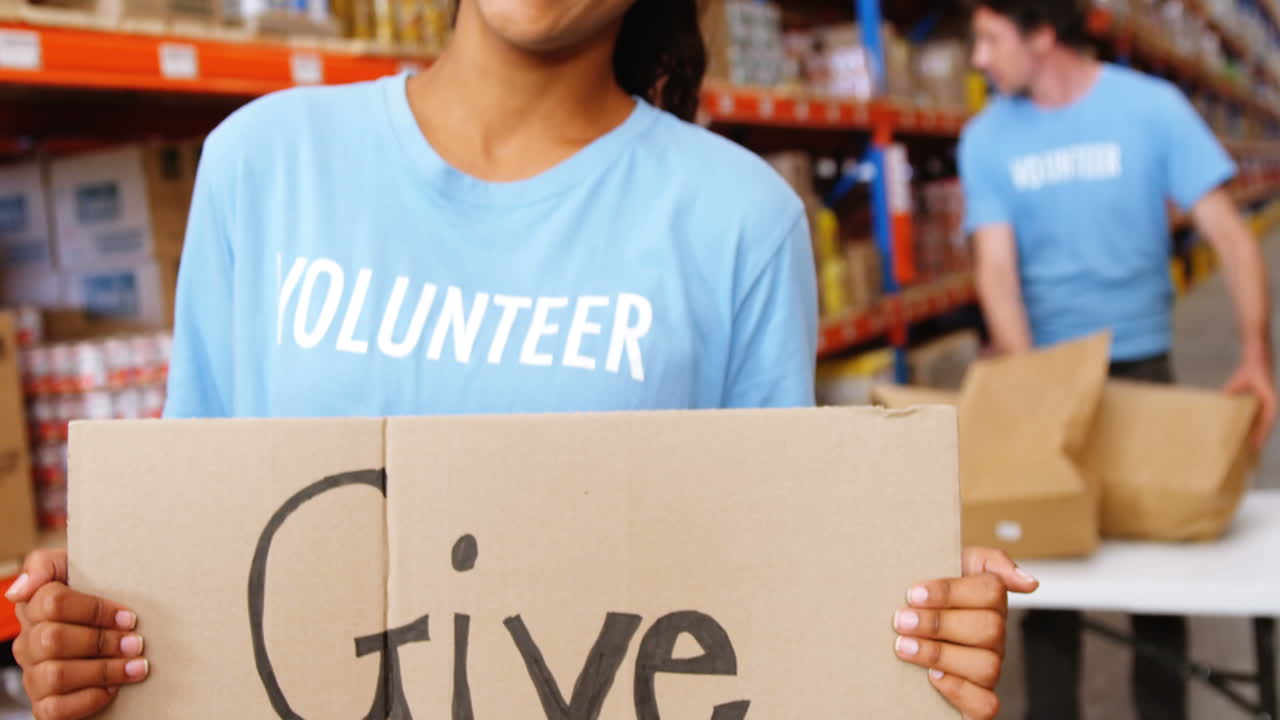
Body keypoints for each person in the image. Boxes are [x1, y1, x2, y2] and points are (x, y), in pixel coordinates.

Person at [6, 0, 1039, 717]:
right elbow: (201, 553)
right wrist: (95, 647)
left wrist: (912, 631)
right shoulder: (262, 165)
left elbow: (766, 585)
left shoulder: (741, 221)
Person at [961, 1, 1276, 719]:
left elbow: (1229, 235)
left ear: (1041, 35)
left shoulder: (1152, 108)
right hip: (1047, 373)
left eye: (989, 38)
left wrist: (1256, 355)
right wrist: (1035, 383)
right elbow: (996, 270)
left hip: (1142, 372)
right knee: (1041, 579)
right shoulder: (985, 139)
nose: (977, 59)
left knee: (1159, 576)